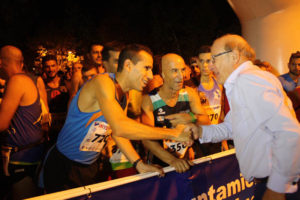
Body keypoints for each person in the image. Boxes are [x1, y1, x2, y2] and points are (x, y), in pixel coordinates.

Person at [43, 44, 193, 193]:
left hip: (90, 167)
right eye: (146, 68)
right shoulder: (102, 82)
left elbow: (118, 133)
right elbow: (120, 126)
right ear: (128, 65)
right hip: (64, 166)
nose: (150, 75)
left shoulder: (123, 96)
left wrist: (138, 164)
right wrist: (173, 134)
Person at [192, 34, 300, 200]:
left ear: (234, 56)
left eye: (214, 58)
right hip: (272, 182)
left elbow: (288, 132)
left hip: (277, 184)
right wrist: (199, 132)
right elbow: (231, 126)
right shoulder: (244, 82)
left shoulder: (248, 80)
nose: (210, 66)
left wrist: (276, 189)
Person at [141, 53, 210, 173]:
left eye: (182, 70)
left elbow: (206, 121)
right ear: (163, 74)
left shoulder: (189, 93)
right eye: (174, 71)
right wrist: (173, 161)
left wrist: (191, 117)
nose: (181, 76)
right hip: (160, 165)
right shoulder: (149, 100)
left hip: (185, 161)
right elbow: (146, 139)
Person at [0, 45, 44, 199]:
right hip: (32, 153)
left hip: (22, 158)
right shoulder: (28, 79)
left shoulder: (16, 81)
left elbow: (1, 124)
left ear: (1, 62)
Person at [196, 45, 228, 156]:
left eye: (208, 61)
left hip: (216, 136)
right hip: (199, 138)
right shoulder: (192, 86)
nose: (205, 65)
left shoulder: (219, 83)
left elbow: (221, 113)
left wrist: (223, 138)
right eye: (201, 61)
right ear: (197, 63)